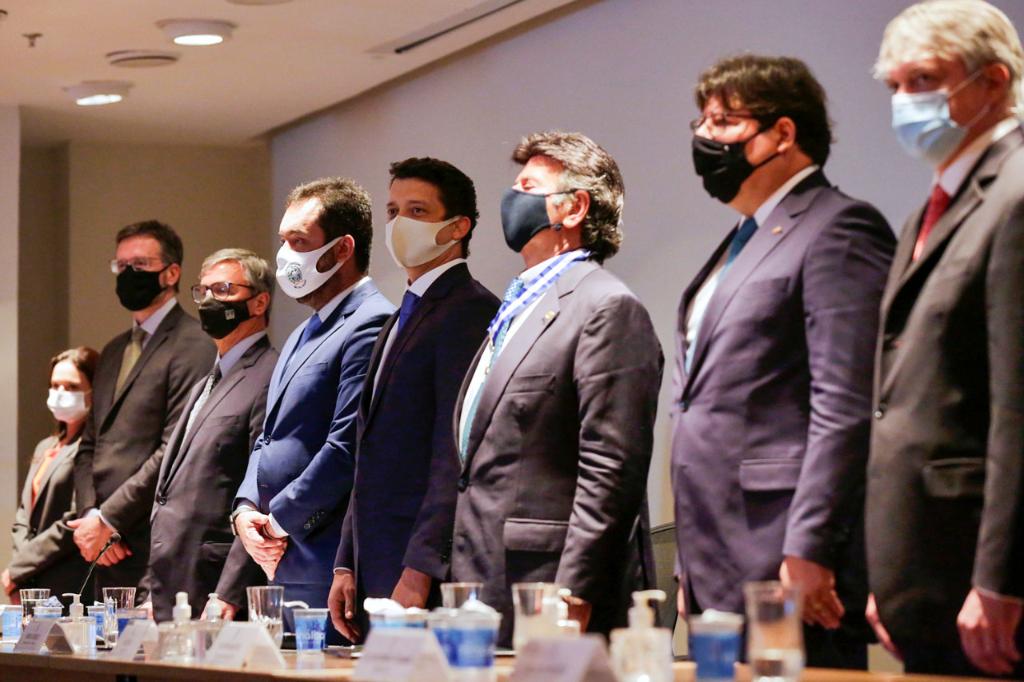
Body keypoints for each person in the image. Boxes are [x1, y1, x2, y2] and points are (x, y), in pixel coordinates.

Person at [672, 54, 895, 669]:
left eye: (723, 122)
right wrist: (689, 563)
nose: (704, 137)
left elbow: (846, 401)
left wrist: (812, 544)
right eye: (701, 122)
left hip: (784, 551)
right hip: (716, 555)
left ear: (783, 133)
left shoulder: (839, 227)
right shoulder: (739, 242)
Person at [451, 131, 662, 646]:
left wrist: (574, 593)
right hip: (484, 579)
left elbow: (612, 469)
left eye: (528, 187)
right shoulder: (521, 306)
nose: (511, 198)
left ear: (574, 207)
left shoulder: (605, 307)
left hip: (551, 593)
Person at [867, 1, 1024, 676]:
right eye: (895, 85)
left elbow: (1018, 404)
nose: (906, 101)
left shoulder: (1016, 195)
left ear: (993, 80)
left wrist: (1002, 579)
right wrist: (890, 569)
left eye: (925, 80)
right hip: (925, 571)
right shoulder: (922, 216)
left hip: (984, 584)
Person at [330, 158, 499, 641]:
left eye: (417, 210)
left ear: (458, 227)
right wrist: (346, 562)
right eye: (392, 211)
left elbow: (454, 452)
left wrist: (422, 567)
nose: (399, 223)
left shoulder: (471, 311)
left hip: (421, 571)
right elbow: (368, 451)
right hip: (374, 561)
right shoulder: (396, 318)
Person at [233, 177, 393, 640]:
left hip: (324, 557)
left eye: (299, 242)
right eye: (283, 240)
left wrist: (278, 521)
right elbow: (268, 438)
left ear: (342, 249)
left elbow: (346, 447)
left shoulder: (371, 323)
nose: (285, 255)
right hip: (278, 558)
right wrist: (244, 509)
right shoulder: (302, 332)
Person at [70, 220, 216, 598]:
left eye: (139, 265)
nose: (128, 274)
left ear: (171, 273)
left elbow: (174, 447)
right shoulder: (114, 350)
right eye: (121, 266)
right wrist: (90, 515)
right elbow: (89, 446)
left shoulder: (195, 344)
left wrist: (111, 518)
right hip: (103, 545)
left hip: (151, 539)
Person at [143, 249, 278, 622]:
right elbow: (169, 494)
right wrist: (150, 589)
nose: (208, 301)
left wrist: (230, 592)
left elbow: (264, 488)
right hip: (171, 587)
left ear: (259, 302)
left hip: (216, 590)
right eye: (202, 291)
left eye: (222, 290)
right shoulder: (204, 382)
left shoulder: (270, 375)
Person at [4, 347, 99, 601]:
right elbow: (24, 516)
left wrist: (20, 567)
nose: (61, 393)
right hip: (31, 580)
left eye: (72, 387)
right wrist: (21, 572)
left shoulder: (93, 449)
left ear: (94, 390)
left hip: (69, 582)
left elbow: (74, 519)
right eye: (55, 386)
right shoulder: (45, 447)